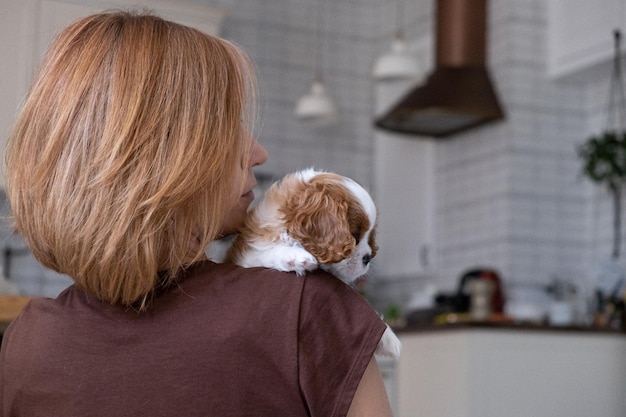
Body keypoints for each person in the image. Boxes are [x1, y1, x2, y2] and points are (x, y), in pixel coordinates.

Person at [0, 11, 394, 417]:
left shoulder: (27, 342)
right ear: (167, 156)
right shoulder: (304, 310)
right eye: (228, 125)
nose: (258, 153)